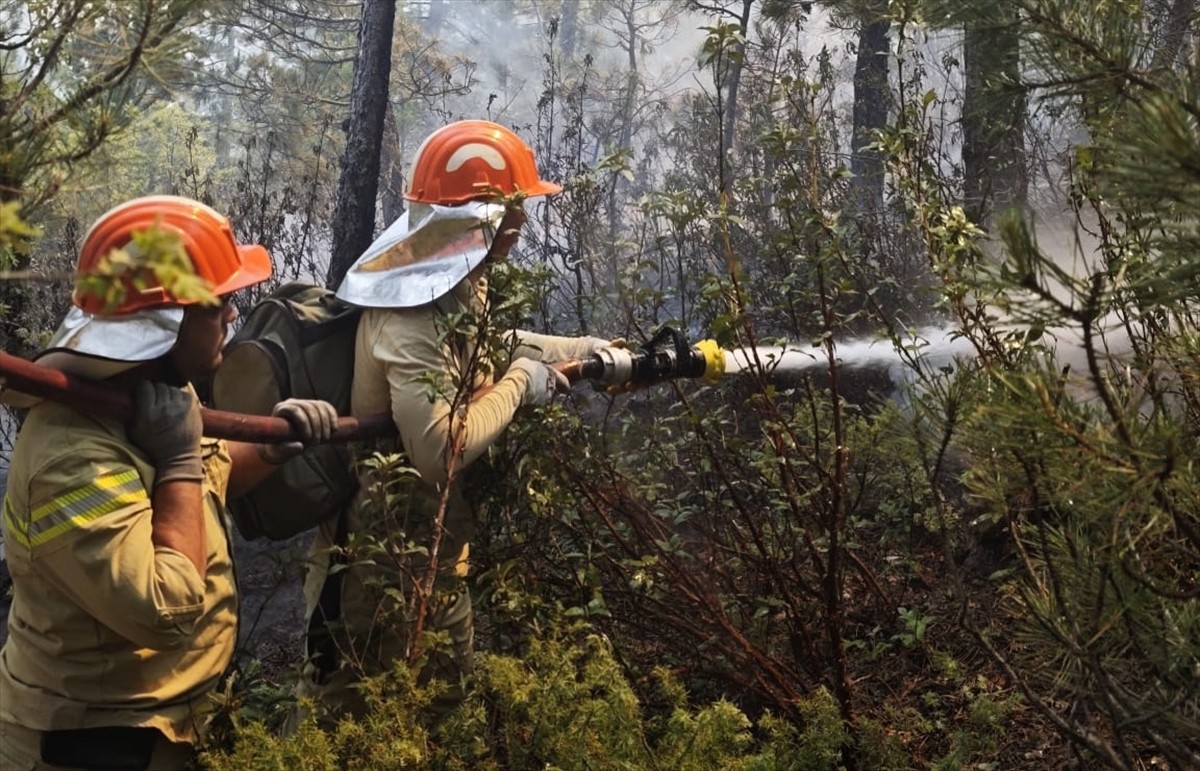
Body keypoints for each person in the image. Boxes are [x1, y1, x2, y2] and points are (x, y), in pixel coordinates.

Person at [293, 120, 619, 723]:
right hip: (373, 574)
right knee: (345, 731)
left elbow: (489, 346)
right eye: (515, 207)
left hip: (437, 559)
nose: (524, 222)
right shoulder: (409, 315)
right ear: (482, 215)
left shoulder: (460, 280)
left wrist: (595, 351)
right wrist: (523, 382)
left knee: (441, 713)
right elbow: (439, 449)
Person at [0, 195, 339, 770]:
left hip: (163, 726)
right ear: (165, 320)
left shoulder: (151, 392)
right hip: (93, 742)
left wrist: (271, 448)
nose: (233, 315)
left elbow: (197, 487)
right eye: (220, 304)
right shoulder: (73, 459)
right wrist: (180, 459)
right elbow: (165, 608)